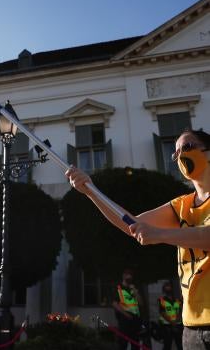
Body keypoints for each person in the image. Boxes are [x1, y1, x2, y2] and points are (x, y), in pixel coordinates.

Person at [66, 128, 210, 350]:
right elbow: (131, 224)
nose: (180, 156)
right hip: (191, 328)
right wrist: (91, 191)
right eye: (175, 153)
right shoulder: (182, 204)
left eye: (188, 147)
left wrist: (160, 234)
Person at [112, 269, 144, 350]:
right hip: (124, 321)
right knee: (123, 345)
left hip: (135, 321)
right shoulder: (118, 288)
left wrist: (135, 291)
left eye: (130, 275)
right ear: (123, 276)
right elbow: (115, 304)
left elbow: (141, 303)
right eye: (127, 275)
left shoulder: (133, 288)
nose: (129, 277)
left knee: (135, 345)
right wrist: (126, 315)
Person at [158, 281, 183, 350]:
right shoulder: (161, 300)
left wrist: (177, 320)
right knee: (167, 345)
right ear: (164, 289)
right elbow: (162, 313)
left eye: (169, 286)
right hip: (167, 326)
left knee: (180, 345)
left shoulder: (177, 300)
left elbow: (180, 311)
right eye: (166, 286)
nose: (168, 287)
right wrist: (172, 323)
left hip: (177, 325)